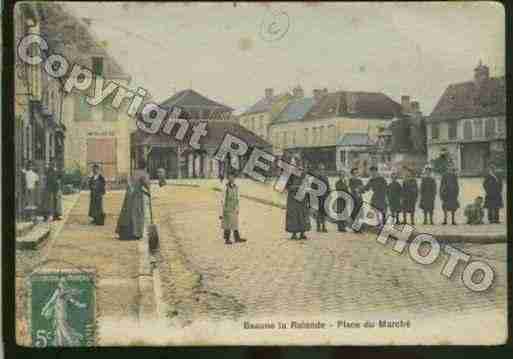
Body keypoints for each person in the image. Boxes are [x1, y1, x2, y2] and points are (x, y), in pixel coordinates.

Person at [41, 277, 87, 346]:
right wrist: (45, 308)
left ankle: (71, 342)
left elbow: (73, 301)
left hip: (62, 314)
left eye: (64, 283)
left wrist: (81, 305)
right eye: (61, 283)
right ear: (59, 284)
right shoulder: (58, 291)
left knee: (63, 328)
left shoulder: (66, 293)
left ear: (65, 284)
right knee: (59, 330)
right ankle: (61, 344)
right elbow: (51, 301)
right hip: (57, 313)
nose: (62, 284)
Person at [116, 160, 151, 240]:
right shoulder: (144, 174)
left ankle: (124, 233)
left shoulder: (133, 172)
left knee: (127, 213)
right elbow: (147, 186)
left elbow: (129, 182)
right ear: (145, 166)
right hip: (137, 196)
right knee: (137, 214)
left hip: (129, 196)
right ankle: (135, 233)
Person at [219, 171, 246, 245]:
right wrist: (221, 212)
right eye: (230, 177)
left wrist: (237, 208)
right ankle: (227, 239)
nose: (232, 178)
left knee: (235, 223)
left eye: (233, 177)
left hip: (234, 207)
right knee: (227, 224)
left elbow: (237, 198)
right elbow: (222, 199)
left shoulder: (236, 187)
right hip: (227, 207)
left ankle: (237, 238)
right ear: (228, 178)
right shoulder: (225, 187)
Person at [285, 164, 310, 240]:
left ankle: (302, 233)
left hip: (302, 198)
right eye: (298, 168)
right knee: (294, 215)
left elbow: (308, 187)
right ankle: (294, 233)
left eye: (301, 169)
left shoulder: (305, 177)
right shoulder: (290, 177)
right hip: (292, 199)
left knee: (303, 215)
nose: (300, 170)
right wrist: (294, 187)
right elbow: (287, 186)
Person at [315, 164, 330, 233]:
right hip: (318, 197)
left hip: (324, 197)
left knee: (324, 213)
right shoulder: (316, 178)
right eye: (320, 169)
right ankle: (318, 226)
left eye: (323, 169)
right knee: (318, 212)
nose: (322, 170)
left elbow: (328, 187)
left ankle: (324, 226)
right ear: (318, 170)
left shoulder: (326, 177)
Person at [348, 167, 364, 232]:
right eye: (354, 173)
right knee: (354, 213)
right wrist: (357, 189)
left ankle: (358, 227)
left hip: (360, 199)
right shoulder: (351, 180)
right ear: (352, 174)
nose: (356, 174)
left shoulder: (360, 181)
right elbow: (351, 189)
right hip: (354, 198)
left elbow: (363, 189)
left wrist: (360, 190)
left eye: (357, 173)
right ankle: (355, 227)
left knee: (360, 213)